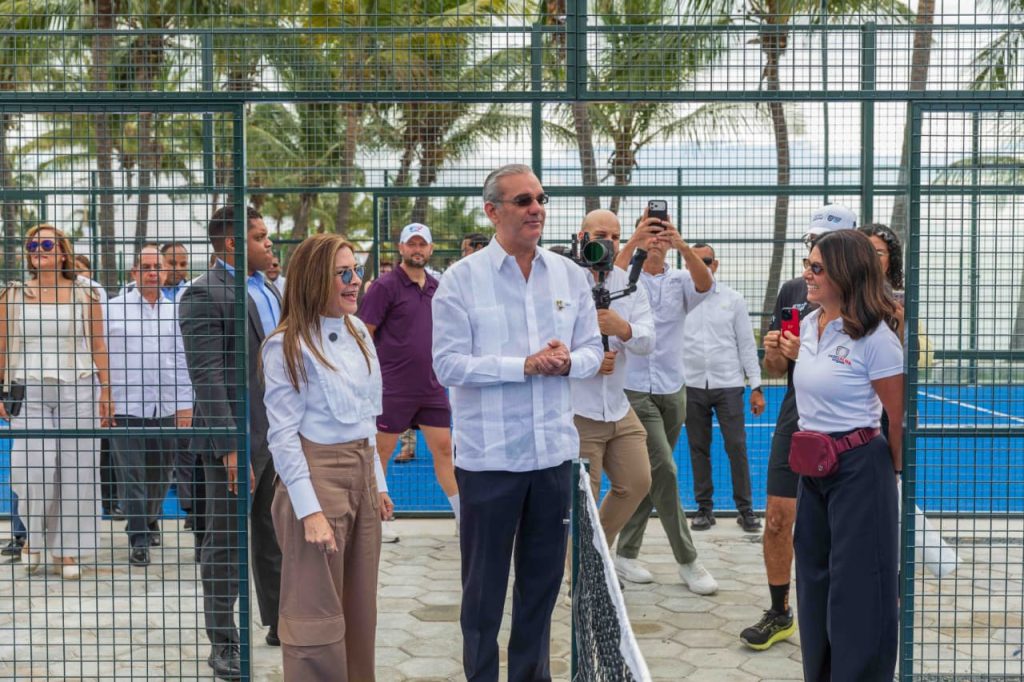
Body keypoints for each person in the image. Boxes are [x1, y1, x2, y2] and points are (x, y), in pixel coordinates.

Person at [432, 164, 603, 681]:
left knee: (541, 590)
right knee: (482, 597)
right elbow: (447, 365)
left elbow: (594, 350)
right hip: (489, 463)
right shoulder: (460, 281)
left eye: (541, 198)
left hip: (552, 459)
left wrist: (568, 360)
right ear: (492, 211)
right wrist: (523, 365)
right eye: (524, 200)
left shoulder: (570, 276)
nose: (537, 209)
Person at [262, 233, 393, 680]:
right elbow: (282, 437)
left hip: (360, 475)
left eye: (356, 270)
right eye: (343, 273)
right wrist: (309, 511)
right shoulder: (285, 345)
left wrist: (378, 481)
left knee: (360, 612)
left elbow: (364, 417)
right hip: (315, 478)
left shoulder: (358, 331)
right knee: (313, 619)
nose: (356, 280)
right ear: (315, 278)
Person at [740, 203, 857, 650]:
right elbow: (775, 368)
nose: (813, 252)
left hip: (849, 423)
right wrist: (776, 351)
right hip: (797, 415)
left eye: (823, 243)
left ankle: (840, 614)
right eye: (810, 242)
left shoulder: (870, 298)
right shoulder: (795, 289)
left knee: (839, 528)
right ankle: (780, 611)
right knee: (777, 518)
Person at [791, 229, 904, 681]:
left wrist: (888, 476)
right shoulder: (808, 324)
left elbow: (896, 419)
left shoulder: (877, 337)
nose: (807, 274)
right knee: (814, 583)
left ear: (845, 272)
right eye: (808, 265)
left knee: (859, 592)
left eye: (817, 268)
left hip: (859, 470)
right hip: (812, 471)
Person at [179, 205, 283, 680]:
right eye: (260, 237)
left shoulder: (271, 289)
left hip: (278, 432)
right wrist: (229, 444)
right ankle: (224, 644)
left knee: (276, 533)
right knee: (223, 544)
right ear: (231, 244)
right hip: (235, 438)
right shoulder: (202, 294)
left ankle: (282, 622)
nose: (268, 244)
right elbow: (207, 376)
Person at [610, 209, 718, 596]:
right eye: (651, 228)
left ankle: (626, 552)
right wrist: (634, 240)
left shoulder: (681, 279)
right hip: (634, 387)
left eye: (661, 229)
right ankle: (688, 560)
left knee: (653, 474)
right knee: (667, 470)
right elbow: (607, 281)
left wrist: (681, 244)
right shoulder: (626, 278)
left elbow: (706, 284)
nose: (656, 236)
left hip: (674, 388)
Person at [0, 224, 113, 580]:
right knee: (33, 469)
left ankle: (68, 551)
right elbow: (1, 347)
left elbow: (97, 346)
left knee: (78, 472)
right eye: (33, 244)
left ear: (62, 251)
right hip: (28, 389)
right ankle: (33, 540)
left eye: (47, 243)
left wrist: (107, 390)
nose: (39, 249)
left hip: (78, 388)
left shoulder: (85, 294)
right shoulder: (12, 295)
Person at [358, 222, 458, 538]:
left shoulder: (437, 287)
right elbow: (364, 333)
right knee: (381, 454)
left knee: (445, 450)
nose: (417, 250)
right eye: (411, 244)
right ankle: (377, 522)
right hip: (392, 388)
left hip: (431, 387)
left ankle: (464, 519)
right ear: (401, 248)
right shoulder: (385, 287)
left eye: (422, 244)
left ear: (430, 249)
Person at [105, 244, 193, 567]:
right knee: (131, 475)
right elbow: (103, 360)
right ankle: (139, 538)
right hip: (126, 406)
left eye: (158, 267)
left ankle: (148, 517)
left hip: (166, 407)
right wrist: (106, 396)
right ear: (134, 273)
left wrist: (185, 404)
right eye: (146, 267)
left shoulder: (176, 311)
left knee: (160, 474)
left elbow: (183, 362)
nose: (153, 272)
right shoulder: (113, 310)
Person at [570, 209, 653, 546]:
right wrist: (587, 360)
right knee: (580, 502)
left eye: (615, 237)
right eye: (601, 235)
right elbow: (545, 342)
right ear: (581, 238)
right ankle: (581, 583)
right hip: (578, 410)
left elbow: (649, 341)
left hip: (618, 407)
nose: (608, 243)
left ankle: (593, 553)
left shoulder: (630, 284)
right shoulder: (564, 281)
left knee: (637, 482)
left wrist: (624, 329)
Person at [681, 243, 764, 533]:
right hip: (690, 385)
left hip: (728, 384)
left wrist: (756, 385)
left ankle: (746, 510)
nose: (702, 265)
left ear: (716, 264)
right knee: (697, 448)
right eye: (695, 260)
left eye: (707, 260)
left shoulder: (734, 299)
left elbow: (746, 344)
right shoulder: (680, 299)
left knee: (737, 446)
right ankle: (704, 509)